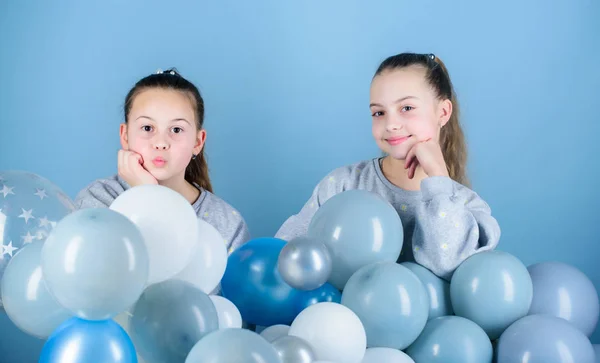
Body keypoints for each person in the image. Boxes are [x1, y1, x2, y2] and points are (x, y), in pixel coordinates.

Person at [275, 53, 500, 280]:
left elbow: (449, 265)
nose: (391, 124)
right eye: (379, 113)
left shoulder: (466, 206)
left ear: (443, 112)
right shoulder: (342, 186)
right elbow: (283, 258)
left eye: (407, 108)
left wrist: (439, 181)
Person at [75, 68, 250, 253]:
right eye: (148, 127)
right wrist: (147, 193)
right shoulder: (99, 200)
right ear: (125, 135)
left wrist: (152, 194)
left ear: (198, 142)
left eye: (176, 129)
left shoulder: (227, 223)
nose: (160, 143)